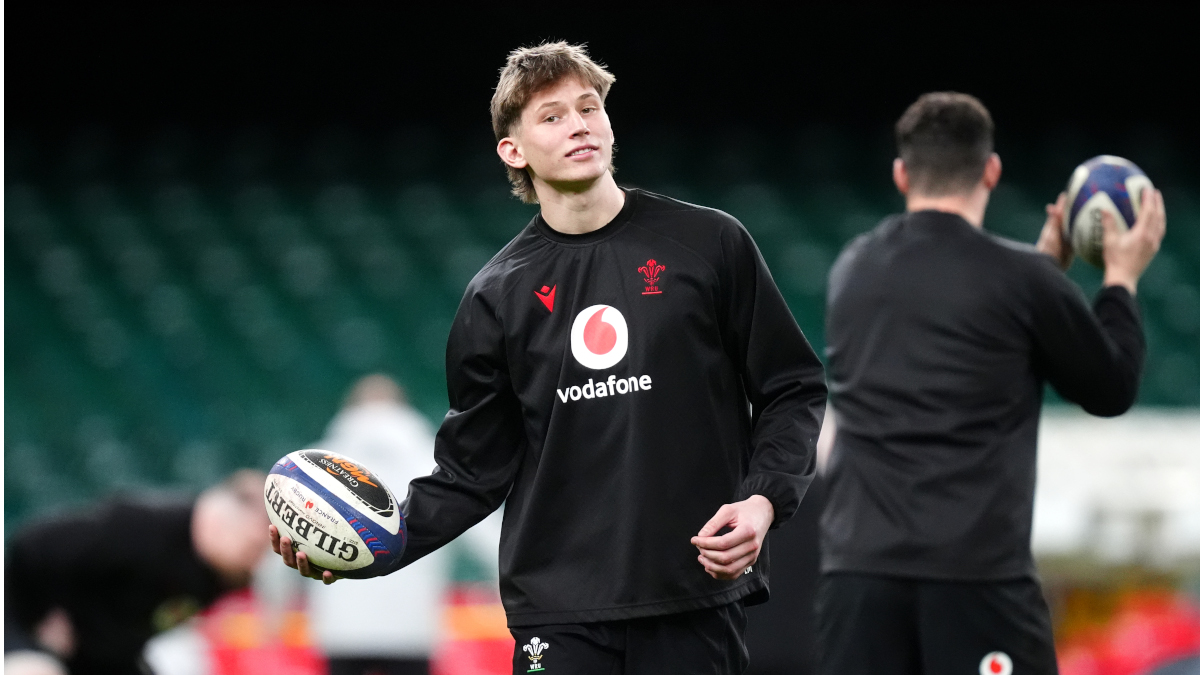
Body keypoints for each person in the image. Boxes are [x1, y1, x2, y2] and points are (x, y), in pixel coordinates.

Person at [271, 41, 827, 674]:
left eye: (589, 108)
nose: (579, 125)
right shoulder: (496, 295)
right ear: (514, 150)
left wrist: (763, 499)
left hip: (692, 595)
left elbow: (793, 388)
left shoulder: (711, 244)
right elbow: (471, 472)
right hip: (558, 614)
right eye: (552, 116)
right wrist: (374, 546)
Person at [817, 92, 1166, 675]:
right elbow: (1111, 388)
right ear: (992, 171)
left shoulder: (853, 267)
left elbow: (962, 327)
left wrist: (1043, 275)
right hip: (974, 579)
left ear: (901, 173)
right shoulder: (1022, 279)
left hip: (858, 579)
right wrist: (1120, 280)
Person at [305, 374, 502, 675]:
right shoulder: (433, 463)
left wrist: (272, 609)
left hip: (341, 629)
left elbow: (285, 535)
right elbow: (485, 532)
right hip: (412, 628)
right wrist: (508, 589)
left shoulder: (315, 464)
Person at [5, 470, 271, 675]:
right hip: (22, 615)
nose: (255, 562)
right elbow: (34, 547)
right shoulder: (146, 529)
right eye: (252, 547)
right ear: (219, 520)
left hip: (99, 651)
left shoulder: (222, 576)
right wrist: (50, 613)